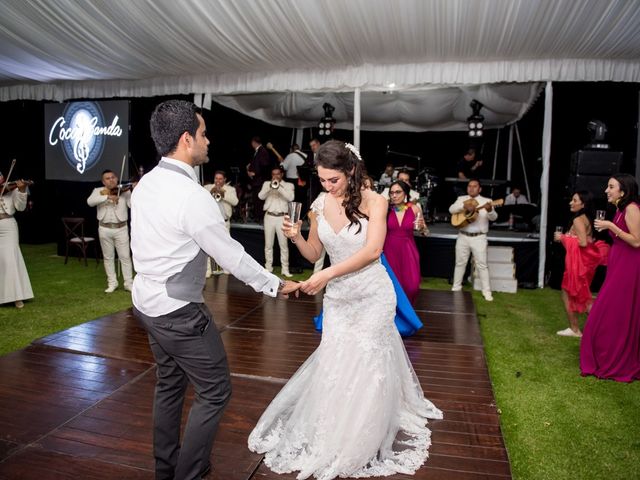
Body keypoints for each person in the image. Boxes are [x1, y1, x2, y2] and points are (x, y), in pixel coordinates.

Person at [249, 140, 442, 478]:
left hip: (372, 294)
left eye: (333, 180)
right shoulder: (320, 204)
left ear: (351, 170)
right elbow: (313, 253)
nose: (327, 187)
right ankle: (336, 422)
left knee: (366, 360)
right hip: (339, 298)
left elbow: (372, 251)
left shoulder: (376, 202)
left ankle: (362, 433)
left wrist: (325, 274)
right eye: (322, 180)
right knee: (337, 360)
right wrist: (296, 236)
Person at [131, 100, 299, 480]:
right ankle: (188, 474)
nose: (209, 140)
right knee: (215, 391)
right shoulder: (192, 196)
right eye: (204, 133)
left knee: (170, 383)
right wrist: (276, 285)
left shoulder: (146, 184)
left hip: (146, 303)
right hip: (177, 312)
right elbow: (232, 256)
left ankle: (167, 469)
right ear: (187, 139)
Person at [581, 173, 640, 382]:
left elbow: (637, 241)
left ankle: (616, 359)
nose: (606, 190)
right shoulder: (620, 208)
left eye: (611, 186)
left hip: (629, 267)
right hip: (619, 265)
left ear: (622, 191)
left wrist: (611, 226)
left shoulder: (631, 208)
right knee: (612, 311)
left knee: (611, 311)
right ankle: (607, 355)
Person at [553, 191, 608, 337]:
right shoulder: (585, 218)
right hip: (582, 262)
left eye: (574, 200)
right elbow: (587, 239)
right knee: (578, 294)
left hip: (578, 263)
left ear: (583, 204)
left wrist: (563, 238)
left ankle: (578, 329)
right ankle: (590, 327)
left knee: (573, 294)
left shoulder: (578, 219)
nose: (571, 202)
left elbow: (583, 242)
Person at [449, 179, 497, 301]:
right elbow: (451, 209)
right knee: (460, 263)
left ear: (480, 189)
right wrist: (463, 206)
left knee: (482, 265)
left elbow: (494, 218)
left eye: (474, 186)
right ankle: (456, 287)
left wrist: (490, 210)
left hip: (479, 237)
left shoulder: (487, 201)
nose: (471, 188)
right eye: (469, 186)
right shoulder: (461, 199)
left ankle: (486, 291)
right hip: (463, 235)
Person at [87, 169, 134, 293]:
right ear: (103, 181)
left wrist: (135, 191)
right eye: (108, 178)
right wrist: (107, 196)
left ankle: (129, 283)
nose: (111, 179)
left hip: (121, 228)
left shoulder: (125, 190)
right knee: (108, 257)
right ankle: (112, 283)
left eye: (113, 177)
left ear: (117, 178)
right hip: (104, 228)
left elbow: (132, 205)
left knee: (125, 257)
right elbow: (90, 202)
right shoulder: (98, 191)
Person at [383, 180, 428, 304]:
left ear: (405, 193)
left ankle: (407, 312)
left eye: (398, 192)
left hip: (408, 250)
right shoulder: (386, 209)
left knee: (412, 286)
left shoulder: (414, 209)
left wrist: (423, 227)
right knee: (392, 286)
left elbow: (424, 232)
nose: (394, 195)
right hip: (389, 249)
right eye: (391, 193)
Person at [0, 175, 33, 308]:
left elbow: (20, 207)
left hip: (8, 226)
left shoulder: (11, 189)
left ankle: (17, 296)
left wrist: (21, 190)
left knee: (11, 259)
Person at [258, 166, 295, 277]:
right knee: (268, 245)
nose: (275, 176)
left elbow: (291, 198)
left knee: (283, 245)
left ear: (281, 175)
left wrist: (279, 187)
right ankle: (268, 267)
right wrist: (270, 187)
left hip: (282, 217)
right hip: (269, 216)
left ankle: (285, 269)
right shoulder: (266, 184)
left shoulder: (289, 185)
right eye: (273, 174)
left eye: (277, 174)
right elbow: (260, 196)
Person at [203, 170, 238, 276]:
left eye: (220, 179)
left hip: (224, 222)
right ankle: (209, 270)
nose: (218, 181)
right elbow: (201, 200)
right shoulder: (208, 187)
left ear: (225, 180)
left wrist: (223, 194)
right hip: (211, 222)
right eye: (216, 178)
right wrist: (210, 193)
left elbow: (235, 202)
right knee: (209, 246)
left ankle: (225, 268)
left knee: (225, 246)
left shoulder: (230, 189)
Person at [246, 136, 272, 222]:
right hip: (256, 180)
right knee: (256, 199)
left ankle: (260, 218)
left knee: (259, 200)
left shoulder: (262, 151)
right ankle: (258, 217)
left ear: (254, 142)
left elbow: (265, 165)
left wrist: (255, 173)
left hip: (260, 180)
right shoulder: (258, 151)